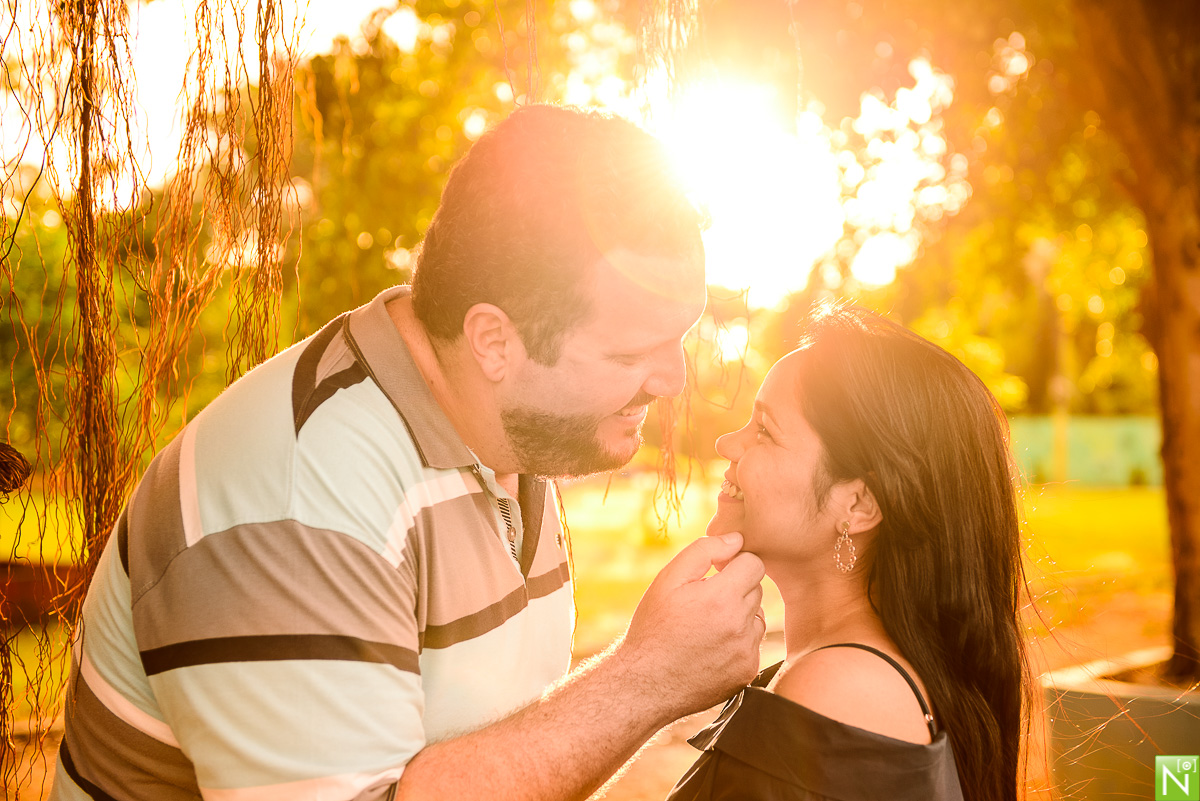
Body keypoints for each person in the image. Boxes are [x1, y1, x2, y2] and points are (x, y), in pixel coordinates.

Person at [50, 104, 766, 801]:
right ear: (493, 340)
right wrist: (645, 679)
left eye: (680, 336)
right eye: (632, 350)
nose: (673, 380)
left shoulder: (508, 430)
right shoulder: (302, 501)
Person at [667, 302, 1030, 801]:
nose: (727, 442)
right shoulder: (847, 675)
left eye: (765, 431)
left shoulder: (838, 692)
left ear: (858, 504)